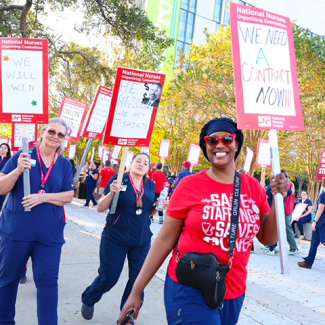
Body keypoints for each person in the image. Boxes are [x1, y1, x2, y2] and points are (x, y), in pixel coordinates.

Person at [118, 117, 288, 325]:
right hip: (188, 287)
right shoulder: (189, 185)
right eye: (212, 140)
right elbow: (164, 240)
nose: (219, 145)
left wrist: (280, 198)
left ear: (237, 144)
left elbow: (268, 239)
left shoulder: (253, 188)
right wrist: (137, 290)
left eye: (227, 139)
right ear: (205, 146)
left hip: (232, 290)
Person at [0, 117, 74, 325]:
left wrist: (43, 197)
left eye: (60, 134)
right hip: (16, 232)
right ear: (42, 131)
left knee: (48, 283)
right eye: (51, 132)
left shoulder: (65, 164)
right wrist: (17, 170)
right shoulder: (22, 156)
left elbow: (68, 195)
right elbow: (1, 188)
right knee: (7, 280)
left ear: (64, 139)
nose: (55, 137)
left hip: (49, 235)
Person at [81, 153, 168, 322]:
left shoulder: (150, 185)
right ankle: (89, 298)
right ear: (131, 163)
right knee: (109, 277)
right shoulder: (120, 179)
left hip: (141, 241)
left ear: (148, 168)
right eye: (138, 161)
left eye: (145, 163)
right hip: (115, 238)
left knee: (138, 283)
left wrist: (158, 207)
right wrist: (111, 193)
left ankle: (127, 317)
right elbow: (100, 208)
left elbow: (148, 212)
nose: (141, 164)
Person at [263, 170, 299, 256]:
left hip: (273, 210)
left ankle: (271, 248)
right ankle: (274, 246)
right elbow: (291, 192)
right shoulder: (286, 187)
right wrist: (292, 186)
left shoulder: (274, 187)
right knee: (276, 228)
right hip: (281, 210)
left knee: (272, 228)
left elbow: (267, 196)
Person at [298, 188, 325, 269]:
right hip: (321, 222)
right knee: (314, 243)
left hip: (321, 222)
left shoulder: (323, 195)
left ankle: (308, 262)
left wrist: (315, 221)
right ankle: (308, 262)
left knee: (314, 243)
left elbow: (320, 209)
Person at [0, 143, 12, 211]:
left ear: (8, 150)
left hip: (4, 181)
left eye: (5, 148)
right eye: (1, 147)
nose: (3, 149)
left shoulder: (9, 160)